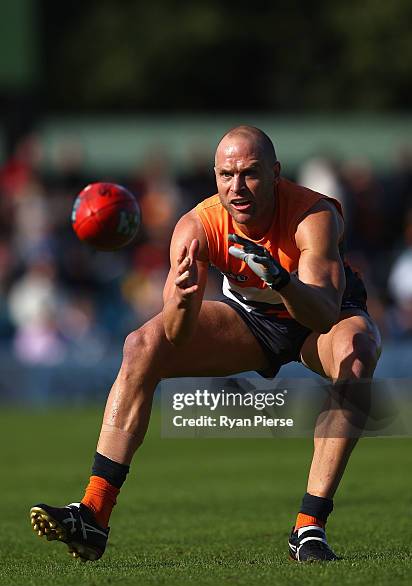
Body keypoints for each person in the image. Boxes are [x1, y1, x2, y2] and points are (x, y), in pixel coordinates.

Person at [30, 126, 381, 562]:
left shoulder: (314, 214)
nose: (237, 188)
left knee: (358, 353)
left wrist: (282, 281)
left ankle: (309, 526)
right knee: (142, 345)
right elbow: (177, 336)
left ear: (274, 173)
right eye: (226, 175)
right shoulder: (197, 225)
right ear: (214, 176)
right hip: (254, 320)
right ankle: (93, 513)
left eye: (250, 174)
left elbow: (324, 313)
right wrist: (181, 298)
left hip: (319, 318)